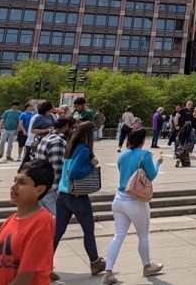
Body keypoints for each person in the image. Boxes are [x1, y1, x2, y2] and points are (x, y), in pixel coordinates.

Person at [101, 128, 163, 284]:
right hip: (136, 201)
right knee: (143, 235)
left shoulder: (122, 155)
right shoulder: (145, 154)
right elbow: (152, 175)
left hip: (119, 199)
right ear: (143, 140)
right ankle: (147, 266)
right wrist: (158, 163)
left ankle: (108, 271)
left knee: (118, 235)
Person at [0, 159, 55, 285]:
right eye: (15, 180)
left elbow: (23, 279)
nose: (14, 186)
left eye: (22, 182)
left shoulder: (42, 221)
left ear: (39, 190)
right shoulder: (9, 221)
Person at [55, 121, 105, 277]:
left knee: (58, 232)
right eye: (94, 132)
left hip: (62, 194)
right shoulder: (83, 149)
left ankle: (43, 264)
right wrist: (91, 164)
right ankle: (95, 262)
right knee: (88, 230)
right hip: (77, 196)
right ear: (88, 134)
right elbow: (75, 172)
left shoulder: (71, 146)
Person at [34, 117, 74, 215]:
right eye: (72, 128)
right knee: (59, 222)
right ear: (66, 127)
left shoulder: (47, 138)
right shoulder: (58, 142)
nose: (73, 131)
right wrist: (58, 192)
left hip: (43, 188)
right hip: (51, 191)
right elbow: (57, 168)